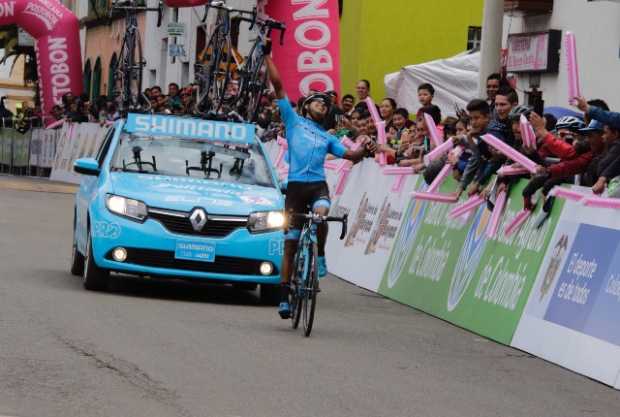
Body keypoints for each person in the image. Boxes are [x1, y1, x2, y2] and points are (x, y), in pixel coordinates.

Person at [264, 53, 376, 319]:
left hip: (316, 186)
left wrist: (366, 149)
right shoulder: (292, 121)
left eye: (327, 106)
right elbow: (278, 85)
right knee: (290, 244)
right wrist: (269, 55)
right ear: (306, 107)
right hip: (294, 188)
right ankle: (284, 297)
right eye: (319, 103)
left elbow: (351, 156)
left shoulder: (327, 138)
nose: (324, 107)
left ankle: (321, 254)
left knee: (322, 212)